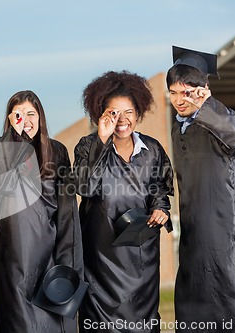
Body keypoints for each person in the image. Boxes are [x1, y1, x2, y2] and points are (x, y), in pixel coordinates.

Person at [167, 46, 235, 332]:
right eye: (173, 92)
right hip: (194, 230)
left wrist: (208, 107)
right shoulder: (177, 128)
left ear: (203, 89)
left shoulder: (217, 119)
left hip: (226, 229)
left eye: (186, 92)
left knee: (232, 299)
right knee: (194, 300)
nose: (179, 100)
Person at [74, 71, 174, 332]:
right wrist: (102, 140)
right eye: (113, 113)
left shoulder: (152, 150)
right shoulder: (88, 146)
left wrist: (160, 209)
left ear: (138, 112)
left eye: (128, 112)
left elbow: (159, 191)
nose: (122, 119)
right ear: (101, 114)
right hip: (101, 259)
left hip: (141, 258)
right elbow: (84, 186)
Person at [0, 90, 83, 332]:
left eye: (31, 113)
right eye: (18, 115)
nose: (25, 120)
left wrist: (67, 260)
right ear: (9, 120)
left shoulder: (57, 151)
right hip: (13, 256)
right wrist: (14, 139)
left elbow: (67, 208)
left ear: (40, 117)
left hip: (49, 252)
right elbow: (0, 181)